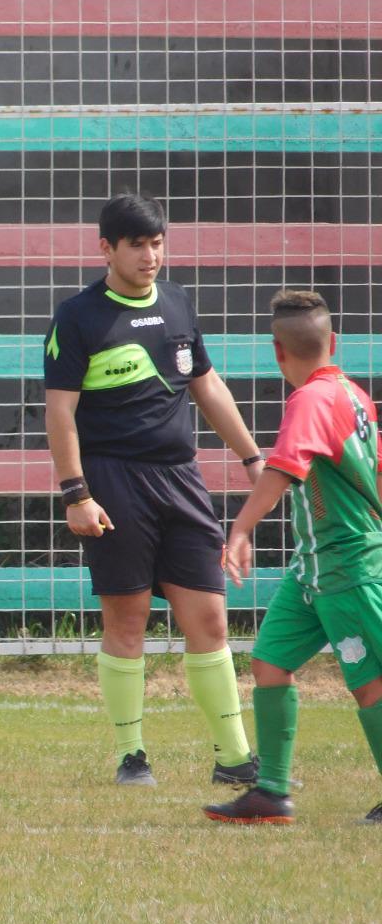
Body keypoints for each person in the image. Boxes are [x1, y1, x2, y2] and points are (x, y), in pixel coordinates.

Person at [43, 192, 262, 787]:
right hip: (112, 480)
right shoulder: (77, 316)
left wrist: (251, 458)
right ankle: (131, 755)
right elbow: (60, 414)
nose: (150, 255)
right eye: (137, 244)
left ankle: (234, 757)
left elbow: (207, 386)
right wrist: (76, 494)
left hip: (180, 478)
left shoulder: (177, 304)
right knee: (128, 618)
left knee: (211, 619)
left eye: (157, 242)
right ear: (106, 249)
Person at [205, 290, 382, 825]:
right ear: (334, 343)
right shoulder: (353, 393)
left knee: (369, 681)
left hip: (346, 566)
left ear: (276, 352)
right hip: (313, 567)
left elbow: (284, 467)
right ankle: (271, 793)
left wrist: (239, 528)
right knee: (270, 662)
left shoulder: (309, 400)